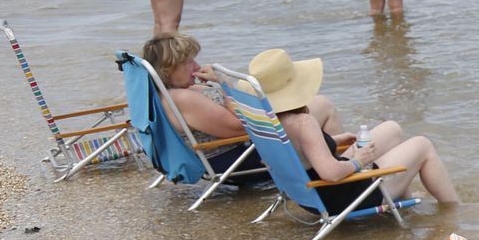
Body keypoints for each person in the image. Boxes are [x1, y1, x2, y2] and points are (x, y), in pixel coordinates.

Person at [246, 47, 457, 212]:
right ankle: (452, 210)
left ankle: (403, 193)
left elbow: (300, 152)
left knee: (392, 129)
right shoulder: (303, 122)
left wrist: (335, 141)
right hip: (344, 197)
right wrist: (359, 160)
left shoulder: (263, 119)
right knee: (423, 145)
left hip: (311, 194)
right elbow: (331, 173)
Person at [141, 32, 339, 172]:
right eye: (188, 62)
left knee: (318, 105)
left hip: (242, 150)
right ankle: (331, 167)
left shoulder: (176, 93)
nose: (196, 66)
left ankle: (332, 159)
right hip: (239, 158)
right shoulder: (182, 98)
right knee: (324, 105)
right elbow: (241, 127)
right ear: (168, 69)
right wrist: (224, 84)